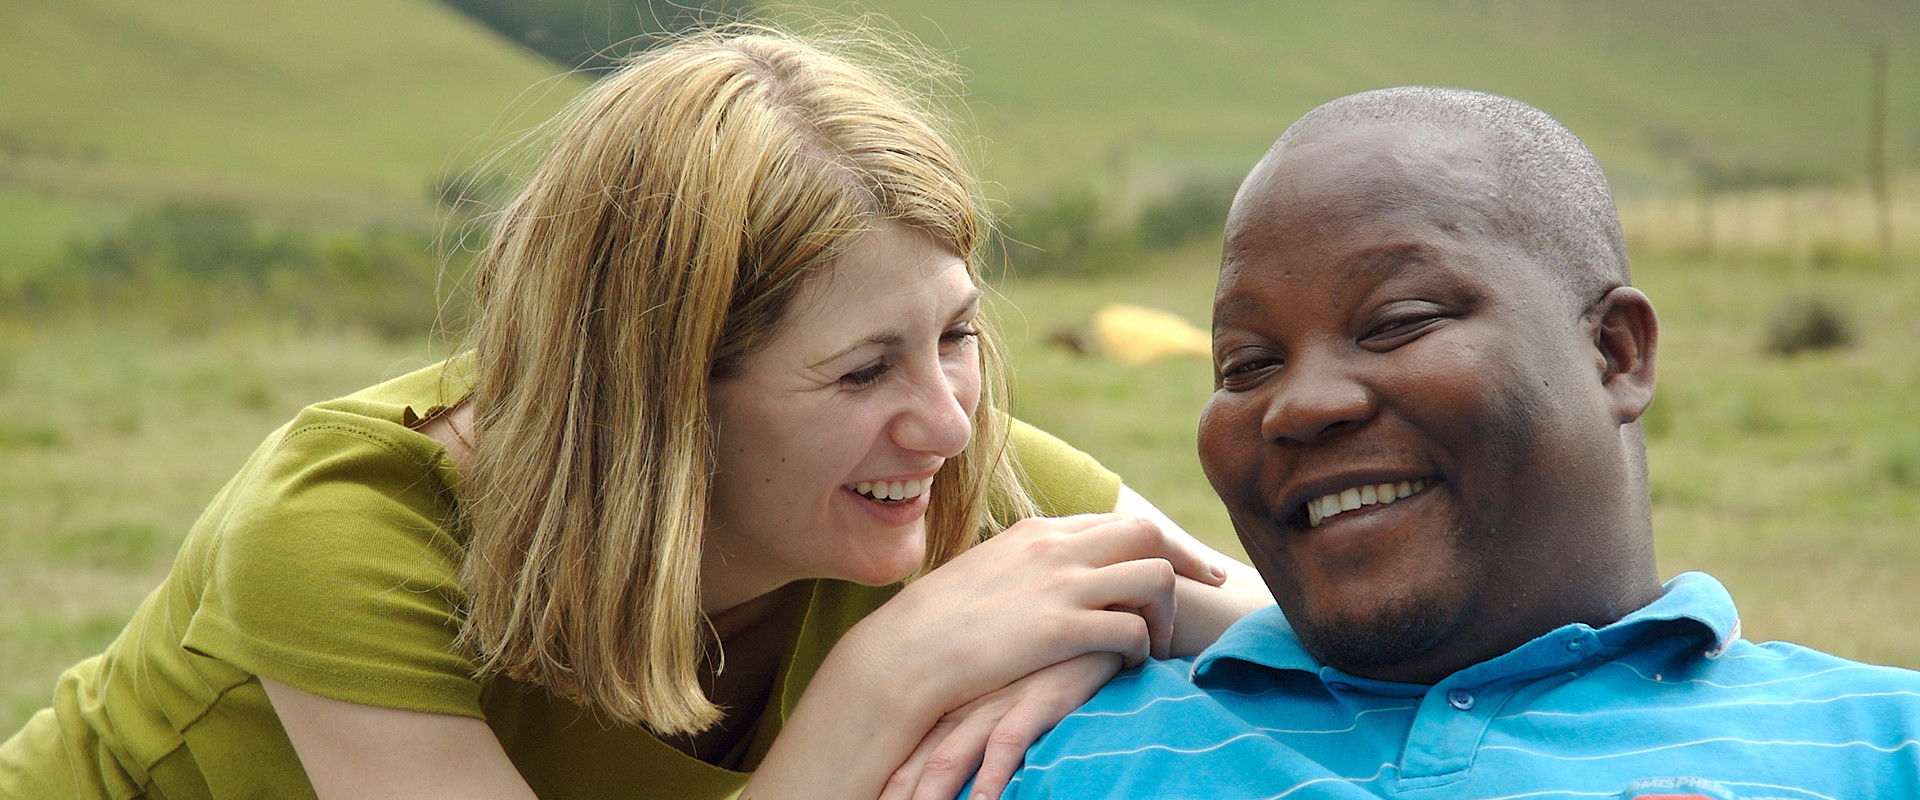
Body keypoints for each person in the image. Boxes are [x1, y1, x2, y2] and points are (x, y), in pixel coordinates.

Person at [0, 26, 1273, 800]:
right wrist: (887, 679)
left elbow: (1297, 632)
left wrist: (1085, 637)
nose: (944, 423)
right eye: (861, 371)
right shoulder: (346, 528)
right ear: (659, 396)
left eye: (955, 335)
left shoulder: (942, 468)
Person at [988, 87, 1920, 799]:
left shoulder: (1882, 745)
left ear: (1614, 352)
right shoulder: (1044, 753)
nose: (1300, 405)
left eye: (1399, 321)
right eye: (1246, 364)